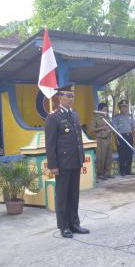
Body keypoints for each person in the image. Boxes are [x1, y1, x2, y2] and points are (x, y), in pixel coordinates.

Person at [45, 83, 90, 238]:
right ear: (59, 97)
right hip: (62, 163)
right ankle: (64, 226)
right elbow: (50, 144)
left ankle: (74, 223)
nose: (71, 99)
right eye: (68, 96)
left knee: (74, 194)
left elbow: (78, 139)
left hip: (75, 160)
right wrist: (53, 165)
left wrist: (81, 157)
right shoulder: (53, 117)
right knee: (63, 195)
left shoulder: (75, 114)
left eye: (73, 96)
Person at [90, 102, 113, 181]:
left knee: (109, 157)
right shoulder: (95, 119)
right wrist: (102, 128)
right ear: (100, 110)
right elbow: (92, 129)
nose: (105, 111)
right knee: (101, 158)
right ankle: (100, 174)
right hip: (100, 140)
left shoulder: (107, 118)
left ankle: (107, 173)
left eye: (106, 109)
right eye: (104, 109)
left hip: (108, 139)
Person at [113, 100, 135, 176]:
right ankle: (122, 171)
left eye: (125, 107)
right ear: (120, 108)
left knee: (129, 154)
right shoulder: (117, 117)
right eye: (122, 107)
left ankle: (128, 170)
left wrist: (134, 137)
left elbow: (133, 127)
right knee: (122, 154)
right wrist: (116, 139)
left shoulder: (130, 116)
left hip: (129, 137)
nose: (124, 108)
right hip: (121, 137)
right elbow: (114, 129)